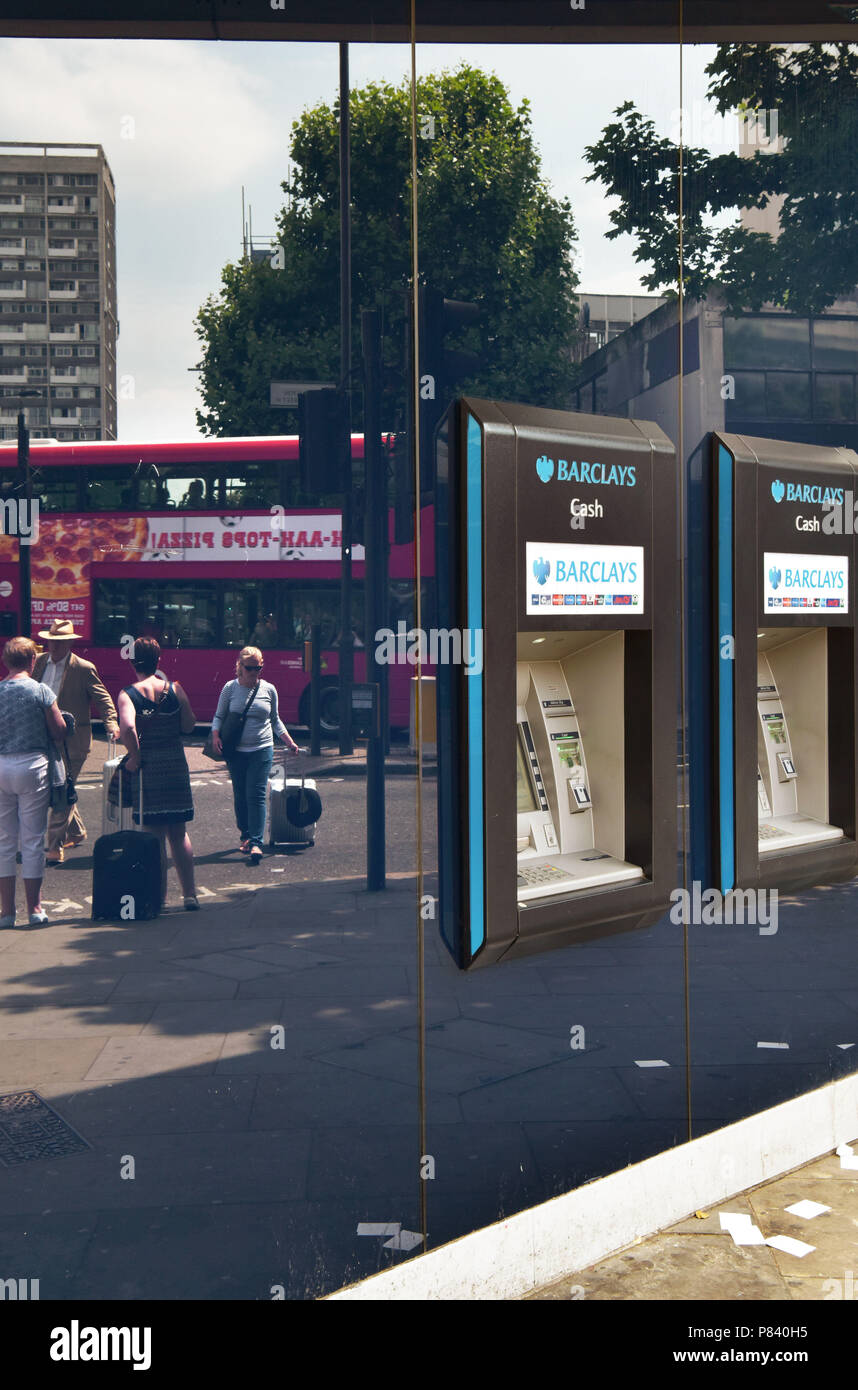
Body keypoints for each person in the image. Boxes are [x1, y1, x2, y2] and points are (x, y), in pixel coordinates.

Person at [115, 637, 199, 910]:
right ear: (158, 661)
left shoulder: (128, 694)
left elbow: (127, 728)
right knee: (179, 832)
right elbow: (188, 725)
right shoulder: (176, 689)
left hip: (148, 768)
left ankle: (160, 898)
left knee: (154, 836)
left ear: (132, 662)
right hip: (175, 765)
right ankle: (190, 895)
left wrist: (135, 758)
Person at [33, 618, 120, 865]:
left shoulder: (83, 667)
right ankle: (76, 831)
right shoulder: (39, 663)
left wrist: (111, 723)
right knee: (61, 788)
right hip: (45, 738)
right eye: (51, 642)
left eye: (59, 643)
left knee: (62, 790)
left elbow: (103, 699)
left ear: (70, 643)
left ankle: (53, 846)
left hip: (74, 741)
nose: (54, 647)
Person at [0, 636, 69, 926]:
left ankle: (6, 913)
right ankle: (34, 909)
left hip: (2, 765)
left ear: (5, 661)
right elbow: (59, 730)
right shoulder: (41, 691)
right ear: (31, 661)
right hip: (33, 766)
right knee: (31, 840)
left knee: (4, 841)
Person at [211, 645, 300, 864]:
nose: (254, 673)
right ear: (240, 667)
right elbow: (219, 716)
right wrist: (215, 736)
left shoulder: (269, 689)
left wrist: (289, 742)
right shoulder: (230, 688)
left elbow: (275, 719)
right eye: (250, 668)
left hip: (262, 749)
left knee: (257, 794)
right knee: (240, 794)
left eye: (258, 668)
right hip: (236, 751)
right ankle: (245, 834)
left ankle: (256, 842)